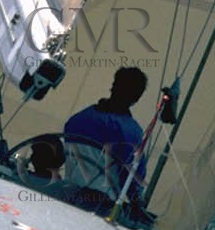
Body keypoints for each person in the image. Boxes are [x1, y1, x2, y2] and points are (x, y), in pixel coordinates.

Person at [62, 65, 150, 214]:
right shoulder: (131, 132)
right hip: (100, 208)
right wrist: (137, 206)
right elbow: (133, 180)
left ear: (113, 87)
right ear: (136, 99)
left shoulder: (78, 118)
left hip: (66, 196)